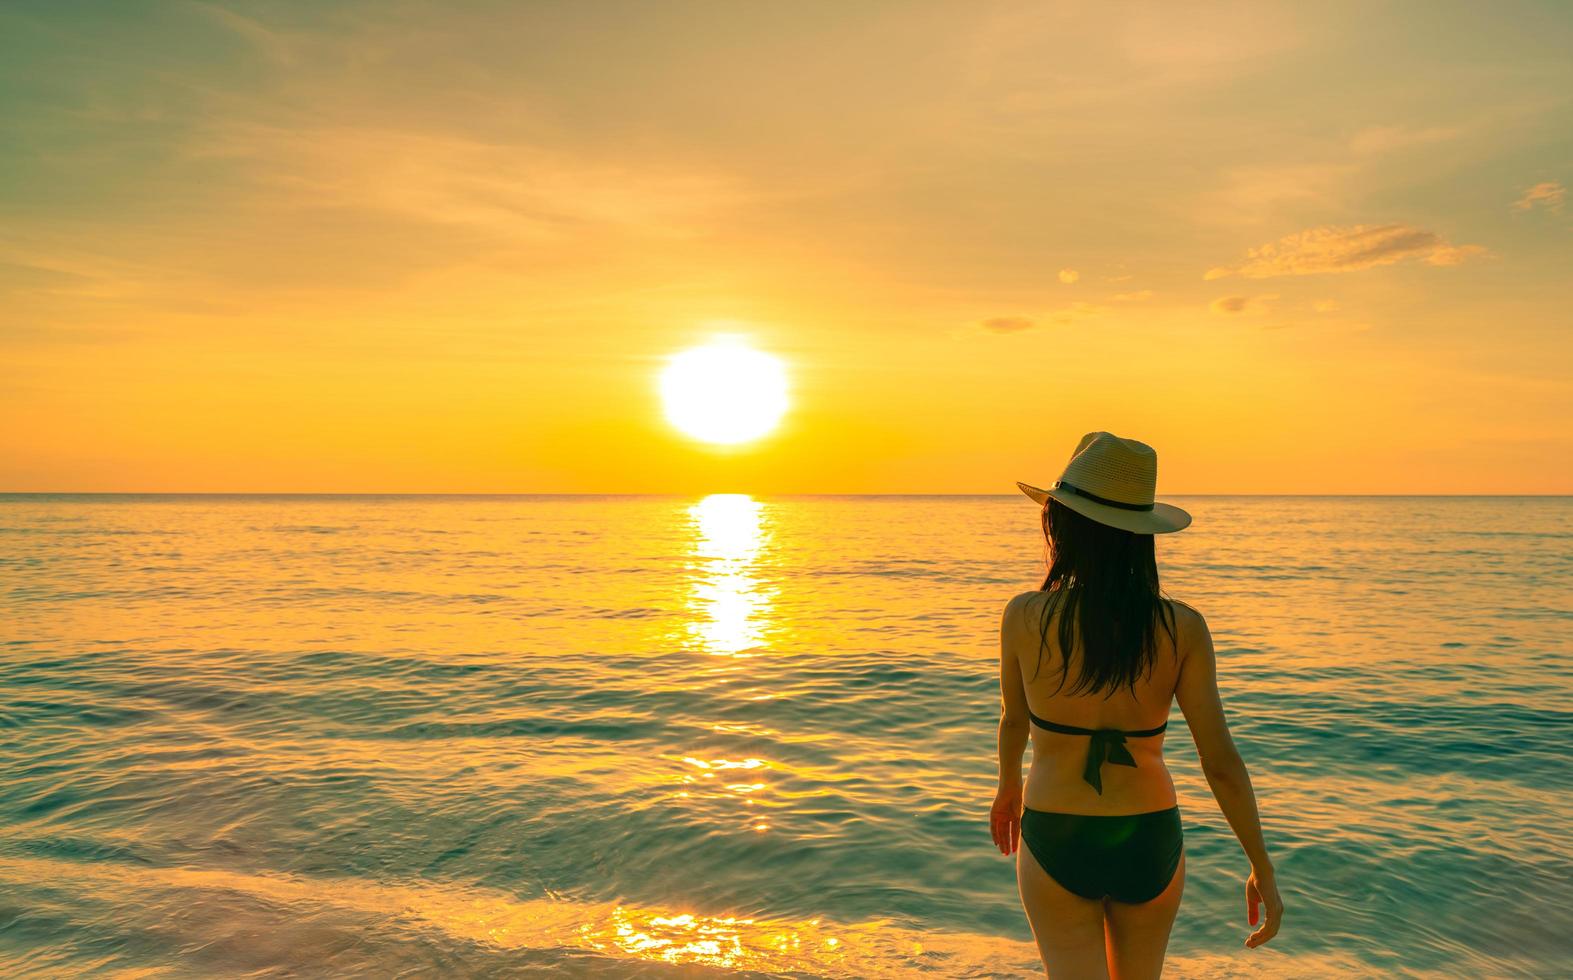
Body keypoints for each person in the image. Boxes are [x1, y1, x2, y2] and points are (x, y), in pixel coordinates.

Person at [989, 431, 1283, 979]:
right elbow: (1220, 761)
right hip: (1149, 837)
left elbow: (1015, 719)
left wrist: (1008, 787)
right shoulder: (1182, 628)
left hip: (1057, 829)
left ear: (1063, 525)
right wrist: (1260, 863)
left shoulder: (1023, 617)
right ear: (1141, 535)